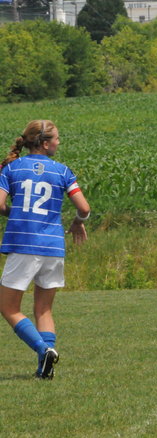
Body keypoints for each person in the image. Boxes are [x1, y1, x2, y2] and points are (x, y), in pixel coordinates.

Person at [0, 120, 90, 379]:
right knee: (44, 310)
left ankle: (43, 349)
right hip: (53, 246)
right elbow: (84, 208)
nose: (59, 143)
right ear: (45, 143)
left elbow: (0, 204)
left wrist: (14, 213)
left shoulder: (12, 168)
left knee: (8, 308)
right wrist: (77, 223)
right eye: (57, 138)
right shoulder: (63, 171)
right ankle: (44, 368)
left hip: (23, 245)